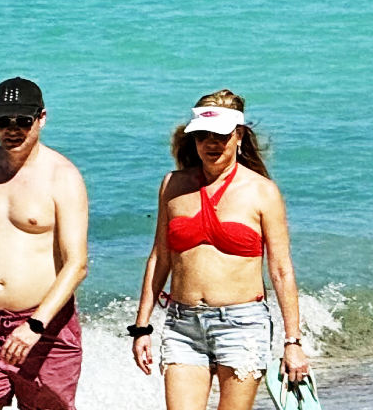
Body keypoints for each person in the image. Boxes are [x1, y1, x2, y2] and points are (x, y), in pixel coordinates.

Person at [130, 92, 311, 410]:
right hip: (182, 325)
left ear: (239, 135)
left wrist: (292, 342)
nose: (211, 144)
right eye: (203, 135)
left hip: (242, 325)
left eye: (221, 135)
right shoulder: (172, 185)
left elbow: (281, 270)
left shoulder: (262, 192)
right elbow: (160, 257)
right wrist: (142, 326)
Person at [0, 77, 90, 410]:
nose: (13, 129)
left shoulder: (62, 177)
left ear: (41, 118)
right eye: (3, 121)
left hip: (46, 328)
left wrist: (35, 325)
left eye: (23, 121)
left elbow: (76, 263)